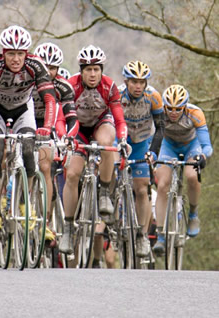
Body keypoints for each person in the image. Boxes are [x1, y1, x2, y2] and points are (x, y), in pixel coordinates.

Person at [0, 26, 58, 264]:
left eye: (20, 53)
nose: (15, 59)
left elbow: (50, 99)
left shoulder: (36, 66)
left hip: (24, 111)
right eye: (11, 53)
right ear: (3, 53)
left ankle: (24, 205)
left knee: (28, 149)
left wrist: (48, 127)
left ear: (27, 53)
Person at [58, 45, 128, 255]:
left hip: (100, 123)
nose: (92, 74)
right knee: (72, 174)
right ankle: (69, 228)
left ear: (101, 70)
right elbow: (62, 118)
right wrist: (66, 138)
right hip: (77, 127)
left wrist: (123, 139)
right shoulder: (70, 86)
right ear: (81, 70)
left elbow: (119, 119)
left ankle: (105, 191)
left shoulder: (109, 87)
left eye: (96, 69)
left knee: (108, 141)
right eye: (88, 69)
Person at [152, 85, 212, 254]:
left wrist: (202, 157)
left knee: (192, 176)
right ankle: (161, 236)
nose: (173, 112)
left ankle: (193, 213)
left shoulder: (195, 113)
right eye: (169, 108)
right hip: (168, 146)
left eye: (178, 109)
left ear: (185, 106)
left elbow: (207, 146)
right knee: (163, 185)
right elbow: (153, 137)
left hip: (191, 147)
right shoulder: (159, 113)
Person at [118, 60, 164, 257]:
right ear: (126, 82)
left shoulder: (153, 97)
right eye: (134, 82)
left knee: (142, 188)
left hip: (141, 143)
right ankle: (110, 205)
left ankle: (143, 236)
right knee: (108, 172)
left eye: (141, 82)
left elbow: (161, 128)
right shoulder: (118, 95)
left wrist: (153, 152)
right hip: (120, 139)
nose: (138, 86)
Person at [33, 42, 78, 236]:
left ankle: (46, 222)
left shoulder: (63, 86)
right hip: (25, 121)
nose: (48, 72)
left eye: (52, 68)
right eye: (44, 66)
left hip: (48, 125)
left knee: (46, 167)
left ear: (58, 69)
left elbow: (71, 117)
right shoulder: (26, 81)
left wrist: (68, 137)